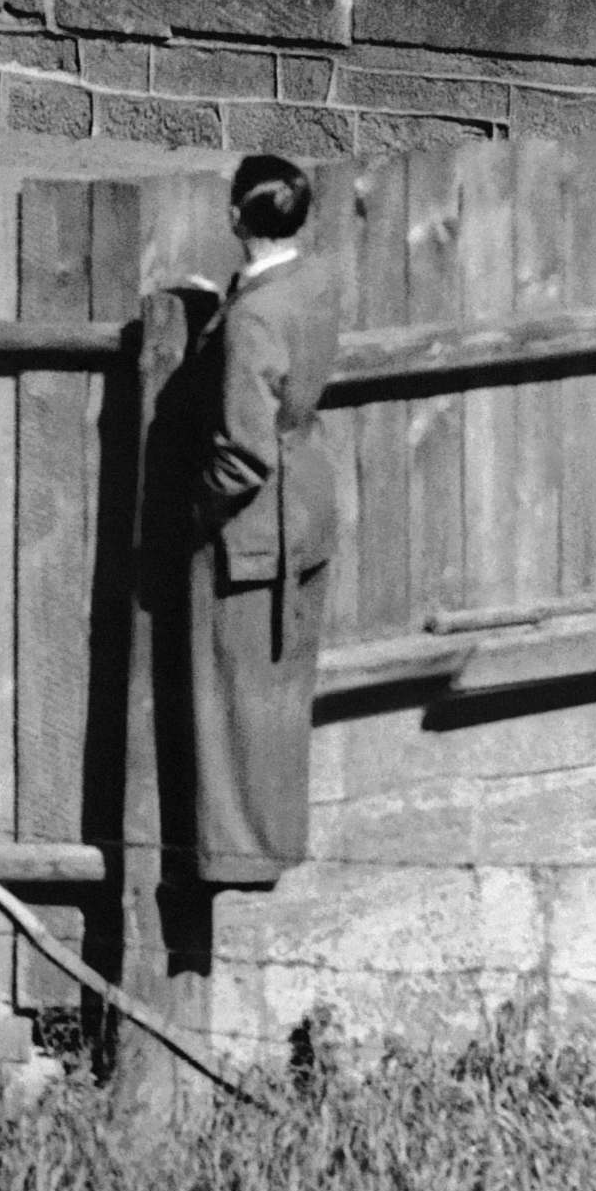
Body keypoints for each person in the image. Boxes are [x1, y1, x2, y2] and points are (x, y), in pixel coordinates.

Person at [178, 152, 344, 886]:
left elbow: (242, 454)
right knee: (279, 696)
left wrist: (191, 513)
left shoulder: (250, 319)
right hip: (305, 510)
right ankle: (275, 842)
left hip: (247, 532)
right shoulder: (312, 282)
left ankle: (236, 859)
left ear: (231, 218)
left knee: (230, 702)